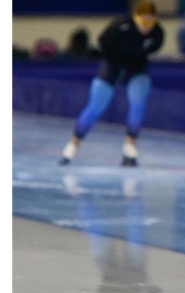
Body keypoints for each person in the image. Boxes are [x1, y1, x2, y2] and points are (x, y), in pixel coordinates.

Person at [59, 0, 165, 167]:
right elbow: (102, 42)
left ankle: (130, 146)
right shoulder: (119, 26)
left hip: (136, 69)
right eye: (142, 21)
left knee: (138, 102)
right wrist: (115, 59)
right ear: (135, 18)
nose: (146, 26)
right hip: (111, 67)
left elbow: (153, 48)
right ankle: (73, 144)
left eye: (150, 21)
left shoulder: (157, 33)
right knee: (95, 107)